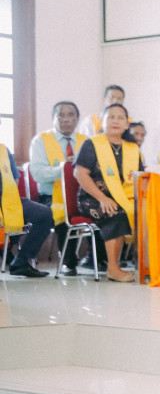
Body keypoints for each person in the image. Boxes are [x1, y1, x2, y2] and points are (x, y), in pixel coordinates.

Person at [74, 103, 142, 283]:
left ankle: (148, 266)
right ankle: (113, 268)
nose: (115, 121)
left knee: (150, 213)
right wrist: (102, 198)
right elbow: (79, 173)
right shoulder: (91, 144)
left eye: (120, 118)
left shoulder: (132, 148)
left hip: (124, 197)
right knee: (116, 213)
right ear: (102, 122)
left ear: (127, 124)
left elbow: (140, 178)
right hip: (93, 197)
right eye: (110, 117)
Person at [29, 100, 89, 274]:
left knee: (105, 206)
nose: (66, 119)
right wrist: (64, 168)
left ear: (77, 119)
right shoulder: (41, 140)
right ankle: (68, 261)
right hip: (50, 195)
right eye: (60, 115)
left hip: (82, 195)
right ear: (53, 118)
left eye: (71, 115)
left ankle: (98, 259)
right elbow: (37, 173)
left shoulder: (86, 142)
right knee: (62, 209)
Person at [0, 142, 54, 278]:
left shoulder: (3, 150)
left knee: (45, 214)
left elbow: (14, 181)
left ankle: (21, 262)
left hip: (8, 199)